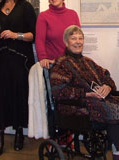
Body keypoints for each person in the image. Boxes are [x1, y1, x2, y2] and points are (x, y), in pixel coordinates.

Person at [50, 25, 119, 160]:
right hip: (74, 106)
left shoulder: (88, 62)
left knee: (113, 108)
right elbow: (59, 91)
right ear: (66, 42)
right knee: (114, 110)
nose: (78, 41)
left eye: (80, 38)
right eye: (73, 38)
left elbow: (106, 76)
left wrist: (107, 86)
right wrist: (87, 94)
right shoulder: (60, 64)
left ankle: (117, 148)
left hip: (97, 101)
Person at [0, 0, 36, 156]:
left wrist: (15, 35)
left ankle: (19, 133)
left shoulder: (26, 7)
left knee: (18, 95)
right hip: (1, 58)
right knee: (0, 96)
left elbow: (33, 35)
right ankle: (0, 135)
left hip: (20, 59)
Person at [35, 0, 80, 69]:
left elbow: (78, 39)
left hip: (72, 63)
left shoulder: (73, 14)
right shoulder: (43, 16)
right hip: (53, 64)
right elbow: (39, 40)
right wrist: (43, 58)